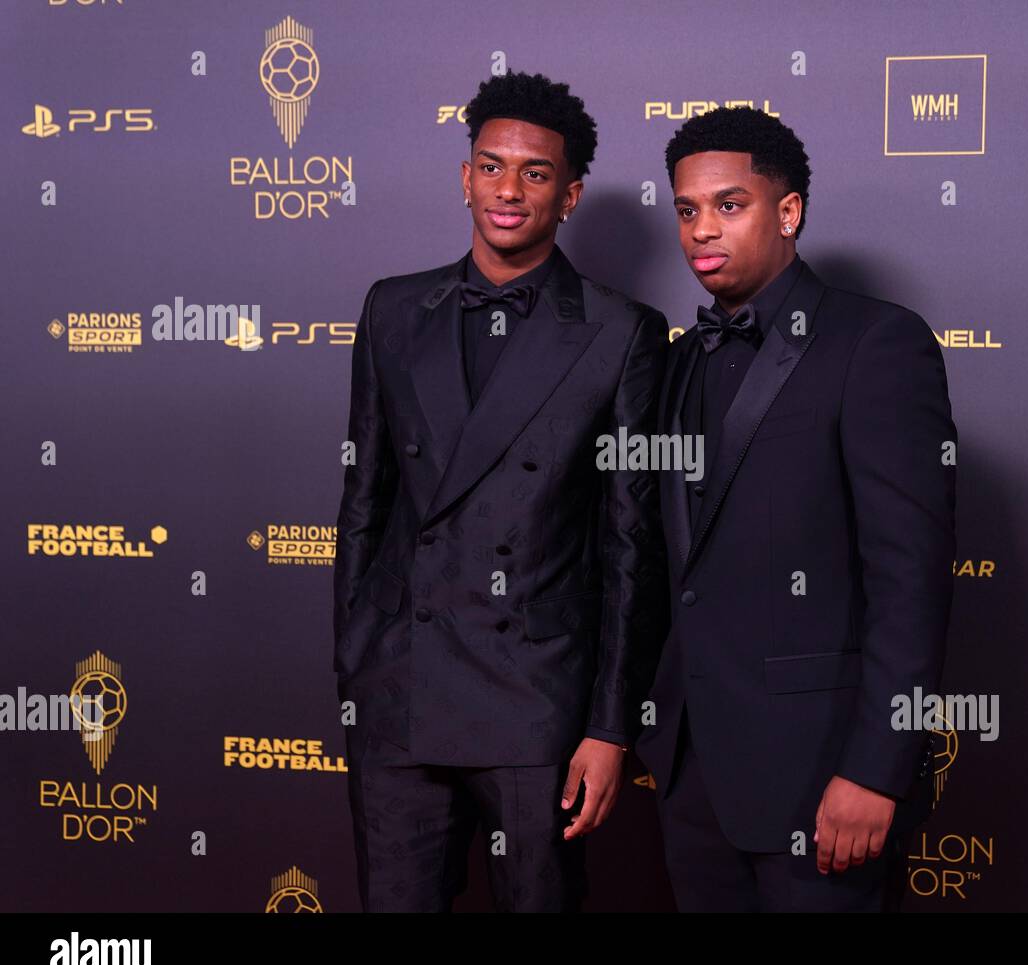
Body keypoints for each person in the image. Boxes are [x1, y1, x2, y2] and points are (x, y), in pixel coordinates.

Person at [333, 69, 669, 912]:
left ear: (571, 194)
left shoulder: (620, 332)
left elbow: (630, 544)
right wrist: (357, 665)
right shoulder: (391, 310)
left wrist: (608, 723)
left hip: (535, 702)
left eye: (534, 172)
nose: (508, 190)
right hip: (400, 696)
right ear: (464, 176)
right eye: (491, 166)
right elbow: (364, 502)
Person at [635, 106, 956, 912]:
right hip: (692, 777)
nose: (703, 230)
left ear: (789, 211)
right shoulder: (676, 365)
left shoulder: (876, 344)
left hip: (824, 783)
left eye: (729, 205)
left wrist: (875, 769)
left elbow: (909, 579)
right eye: (686, 211)